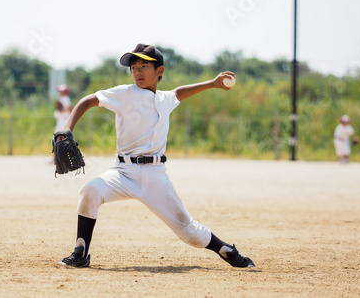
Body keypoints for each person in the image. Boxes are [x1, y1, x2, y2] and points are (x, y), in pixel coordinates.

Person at [56, 44, 255, 268]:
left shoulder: (165, 99)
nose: (138, 71)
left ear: (159, 71)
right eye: (133, 67)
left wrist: (212, 84)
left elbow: (178, 93)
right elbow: (87, 101)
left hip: (155, 177)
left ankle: (226, 250)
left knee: (189, 232)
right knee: (91, 190)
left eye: (144, 66)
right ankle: (81, 252)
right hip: (123, 172)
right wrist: (67, 129)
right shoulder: (125, 94)